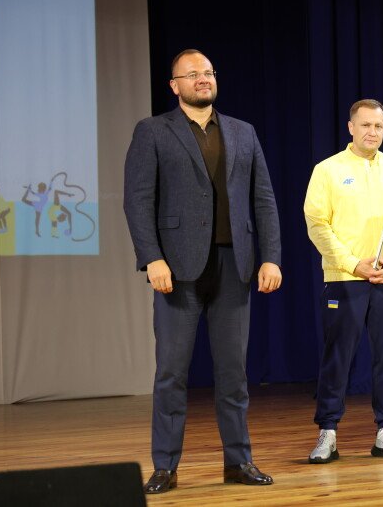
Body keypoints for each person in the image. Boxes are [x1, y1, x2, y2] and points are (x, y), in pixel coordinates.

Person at [124, 49, 282, 494]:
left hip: (235, 265)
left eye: (208, 72)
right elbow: (138, 200)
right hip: (177, 269)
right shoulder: (153, 131)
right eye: (192, 74)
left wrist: (271, 256)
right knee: (171, 373)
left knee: (233, 374)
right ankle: (165, 466)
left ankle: (238, 461)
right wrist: (151, 257)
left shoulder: (243, 132)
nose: (203, 79)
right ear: (174, 85)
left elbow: (263, 199)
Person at [303, 99, 383, 464]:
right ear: (351, 127)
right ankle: (328, 432)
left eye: (378, 126)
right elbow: (317, 225)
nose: (372, 132)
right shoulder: (327, 170)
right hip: (346, 278)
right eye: (366, 125)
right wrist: (353, 264)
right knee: (337, 357)